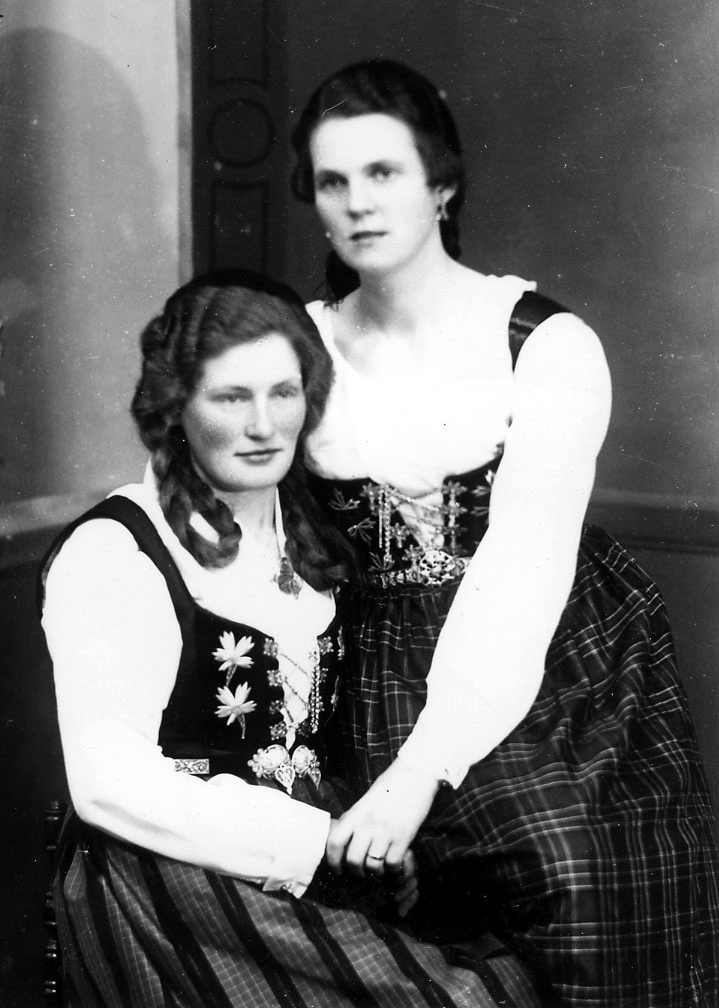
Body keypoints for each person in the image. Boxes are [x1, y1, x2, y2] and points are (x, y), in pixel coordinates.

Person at [290, 59, 719, 1007]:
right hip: (356, 663)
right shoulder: (294, 348)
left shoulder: (541, 341)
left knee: (563, 864)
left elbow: (520, 576)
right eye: (332, 180)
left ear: (441, 184)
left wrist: (416, 775)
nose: (358, 202)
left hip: (538, 660)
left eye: (383, 172)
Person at [41, 270, 549, 1007]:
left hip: (316, 854)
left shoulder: (314, 537)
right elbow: (109, 783)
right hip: (174, 878)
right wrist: (319, 842)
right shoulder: (117, 552)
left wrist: (365, 842)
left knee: (508, 974)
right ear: (174, 407)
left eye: (284, 393)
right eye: (230, 397)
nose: (263, 426)